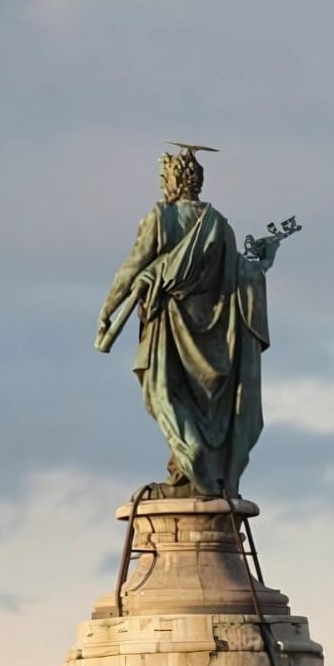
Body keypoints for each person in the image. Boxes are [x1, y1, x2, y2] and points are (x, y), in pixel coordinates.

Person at [96, 146, 282, 498]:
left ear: (173, 180)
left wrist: (108, 308)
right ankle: (191, 468)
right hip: (214, 336)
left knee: (162, 394)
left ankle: (192, 463)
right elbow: (240, 276)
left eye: (163, 176)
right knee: (200, 405)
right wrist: (262, 264)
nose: (162, 182)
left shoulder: (160, 218)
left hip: (168, 327)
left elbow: (131, 268)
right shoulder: (219, 225)